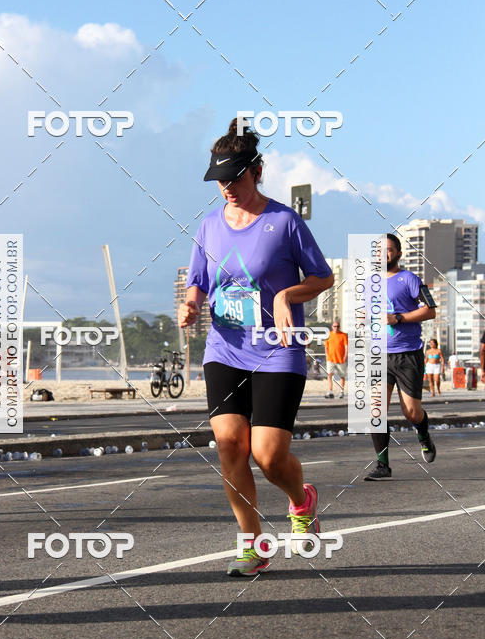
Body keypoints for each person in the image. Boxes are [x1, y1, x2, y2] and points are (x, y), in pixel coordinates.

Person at [178, 118, 333, 576]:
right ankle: (251, 542)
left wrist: (287, 295)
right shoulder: (208, 226)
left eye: (235, 178)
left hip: (278, 349)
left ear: (257, 172)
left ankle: (301, 501)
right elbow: (198, 283)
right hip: (224, 348)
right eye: (220, 180)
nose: (227, 187)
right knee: (229, 444)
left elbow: (322, 277)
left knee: (268, 456)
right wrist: (190, 306)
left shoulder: (285, 222)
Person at [365, 234, 437, 480]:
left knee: (411, 413)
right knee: (376, 410)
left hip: (407, 354)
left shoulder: (409, 279)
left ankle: (423, 434)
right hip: (379, 355)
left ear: (398, 253)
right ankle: (382, 465)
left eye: (388, 249)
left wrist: (399, 318)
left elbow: (431, 310)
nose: (382, 253)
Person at [324, 319, 348, 399]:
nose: (336, 328)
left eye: (338, 326)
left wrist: (345, 356)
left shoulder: (343, 335)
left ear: (339, 327)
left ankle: (341, 392)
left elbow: (346, 347)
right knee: (329, 375)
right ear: (332, 327)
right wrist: (327, 355)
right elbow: (326, 347)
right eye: (334, 326)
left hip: (341, 359)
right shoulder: (329, 335)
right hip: (330, 359)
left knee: (342, 376)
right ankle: (330, 392)